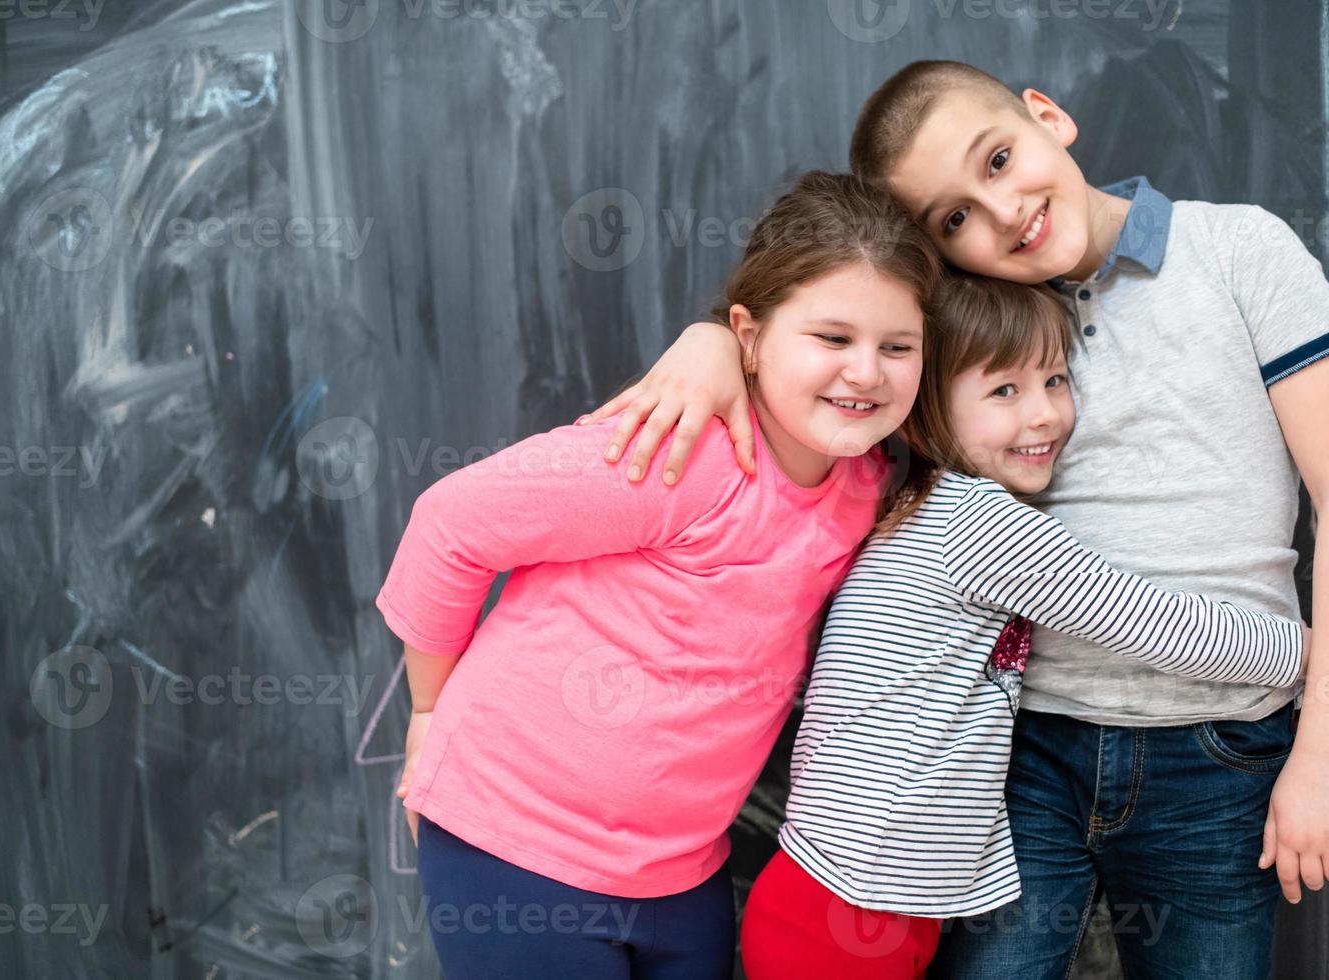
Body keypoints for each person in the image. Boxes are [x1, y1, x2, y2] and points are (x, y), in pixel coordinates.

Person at [576, 61, 1329, 978]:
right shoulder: (957, 324)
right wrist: (715, 342)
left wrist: (1328, 748)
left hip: (1219, 751)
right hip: (1020, 752)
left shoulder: (1239, 250)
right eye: (954, 218)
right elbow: (827, 318)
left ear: (1047, 116)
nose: (1002, 214)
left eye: (1000, 159)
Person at [375, 170, 939, 979]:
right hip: (514, 843)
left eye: (897, 348)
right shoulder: (678, 450)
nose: (866, 373)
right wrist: (428, 708)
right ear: (748, 334)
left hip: (683, 871)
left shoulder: (867, 487)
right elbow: (450, 524)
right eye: (832, 338)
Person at [738, 273, 1310, 979]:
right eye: (1003, 391)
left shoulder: (918, 500)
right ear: (925, 414)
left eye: (1055, 380)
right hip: (844, 907)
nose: (1043, 415)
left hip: (869, 899)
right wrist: (1316, 650)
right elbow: (1167, 628)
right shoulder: (978, 523)